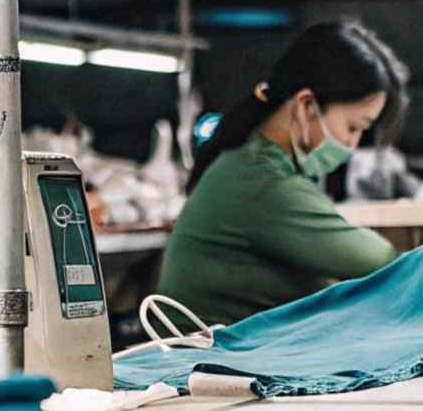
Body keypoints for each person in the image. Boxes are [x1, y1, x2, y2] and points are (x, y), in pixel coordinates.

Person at [156, 21, 409, 328]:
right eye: (354, 127)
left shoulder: (252, 163)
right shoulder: (260, 182)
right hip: (207, 362)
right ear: (306, 105)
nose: (352, 144)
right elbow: (380, 261)